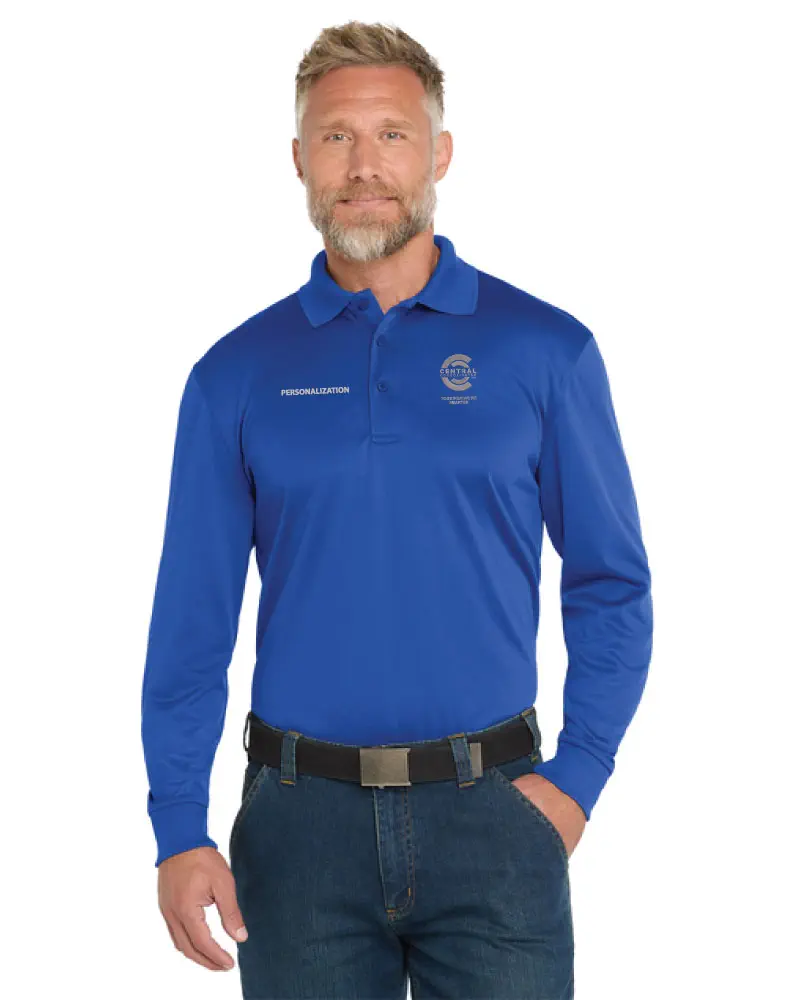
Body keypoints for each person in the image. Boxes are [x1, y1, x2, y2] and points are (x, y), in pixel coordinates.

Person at [141, 19, 653, 999]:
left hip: (496, 814)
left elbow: (609, 582)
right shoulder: (234, 374)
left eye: (391, 134)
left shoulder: (545, 350)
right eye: (336, 136)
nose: (363, 165)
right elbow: (191, 618)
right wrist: (177, 827)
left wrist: (578, 778)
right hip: (296, 828)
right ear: (299, 159)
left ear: (439, 154)